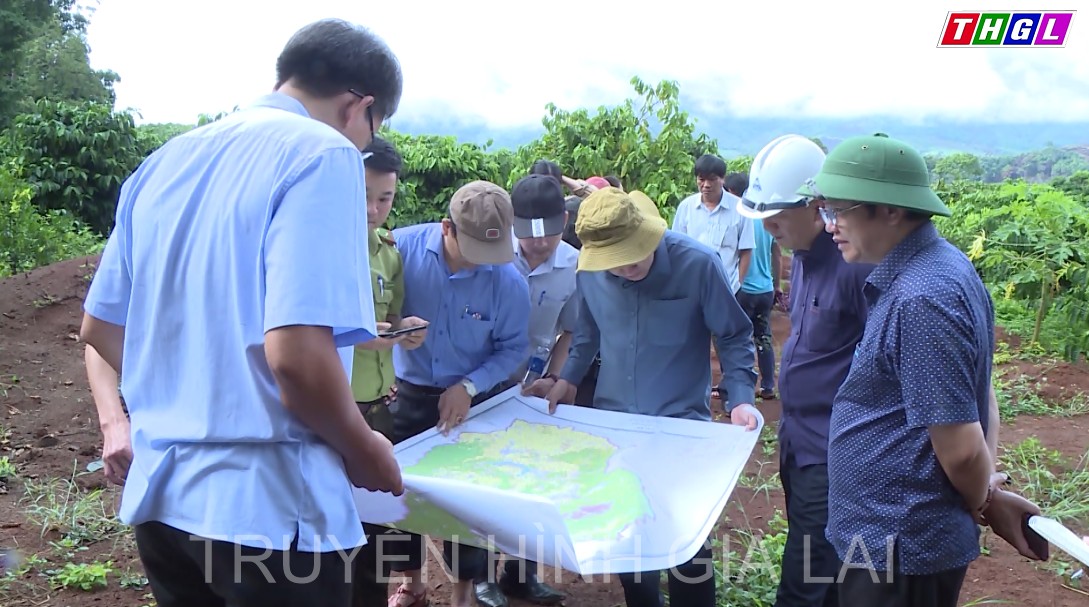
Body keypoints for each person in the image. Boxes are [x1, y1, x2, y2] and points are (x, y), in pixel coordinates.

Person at [79, 18, 405, 607]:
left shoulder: (163, 162)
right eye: (372, 130)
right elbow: (299, 357)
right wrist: (364, 449)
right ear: (361, 106)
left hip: (163, 503)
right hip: (267, 513)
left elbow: (100, 327)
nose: (363, 145)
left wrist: (196, 389)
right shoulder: (323, 153)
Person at [812, 133, 1039, 607]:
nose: (830, 225)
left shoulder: (921, 298)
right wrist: (989, 486)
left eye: (839, 210)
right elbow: (982, 393)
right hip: (887, 537)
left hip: (899, 542)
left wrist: (982, 498)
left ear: (892, 210)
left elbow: (959, 447)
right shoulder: (939, 269)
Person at [529, 187, 759, 607]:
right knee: (629, 535)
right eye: (613, 262)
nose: (626, 267)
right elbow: (588, 333)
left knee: (685, 542)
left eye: (634, 254)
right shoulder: (590, 273)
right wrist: (568, 378)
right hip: (617, 425)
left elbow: (733, 334)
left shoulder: (698, 266)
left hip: (680, 427)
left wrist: (740, 396)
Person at [736, 134, 872, 607]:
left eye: (777, 215)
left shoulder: (856, 266)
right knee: (821, 574)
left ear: (816, 206)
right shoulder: (803, 255)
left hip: (832, 452)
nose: (768, 224)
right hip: (799, 444)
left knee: (804, 585)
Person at [385, 181, 531, 607]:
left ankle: (463, 594)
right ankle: (412, 583)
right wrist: (392, 336)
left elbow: (513, 348)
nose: (480, 265)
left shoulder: (507, 281)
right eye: (472, 252)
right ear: (446, 227)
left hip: (473, 402)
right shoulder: (400, 252)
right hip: (405, 393)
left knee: (469, 501)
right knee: (398, 495)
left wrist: (468, 387)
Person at [469, 174, 575, 607]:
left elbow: (570, 331)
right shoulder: (488, 254)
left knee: (532, 476)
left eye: (549, 235)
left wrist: (554, 377)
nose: (538, 245)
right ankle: (478, 577)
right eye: (528, 236)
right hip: (479, 380)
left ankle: (519, 573)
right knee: (478, 481)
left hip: (532, 386)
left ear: (564, 221)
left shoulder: (573, 264)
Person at [349, 136, 430, 607]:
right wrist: (353, 332)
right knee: (337, 526)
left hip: (380, 406)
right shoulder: (321, 250)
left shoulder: (388, 253)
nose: (374, 209)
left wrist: (408, 329)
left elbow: (393, 319)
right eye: (363, 195)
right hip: (335, 406)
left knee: (377, 522)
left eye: (385, 198)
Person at [730, 171, 782, 401]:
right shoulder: (765, 219)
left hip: (743, 290)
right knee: (764, 337)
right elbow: (777, 253)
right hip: (765, 290)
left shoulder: (738, 218)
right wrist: (776, 285)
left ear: (732, 193)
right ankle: (769, 385)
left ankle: (738, 388)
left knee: (737, 339)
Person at [672, 154, 755, 295]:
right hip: (691, 287)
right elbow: (676, 247)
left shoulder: (739, 209)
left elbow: (746, 250)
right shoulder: (686, 207)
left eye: (712, 179)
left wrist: (737, 284)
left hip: (726, 289)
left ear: (723, 179)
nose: (706, 185)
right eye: (701, 179)